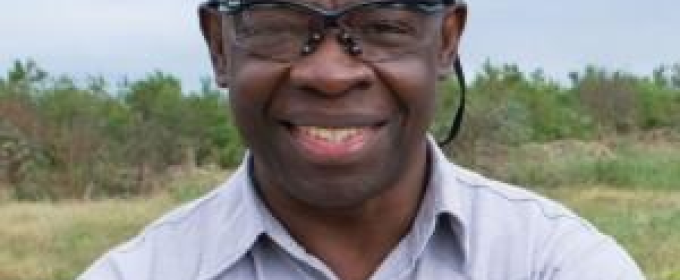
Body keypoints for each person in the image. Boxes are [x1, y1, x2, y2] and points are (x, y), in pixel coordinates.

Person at [79, 0, 645, 279]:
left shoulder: (551, 264)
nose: (329, 74)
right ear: (219, 46)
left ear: (446, 42)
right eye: (278, 24)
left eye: (383, 27)